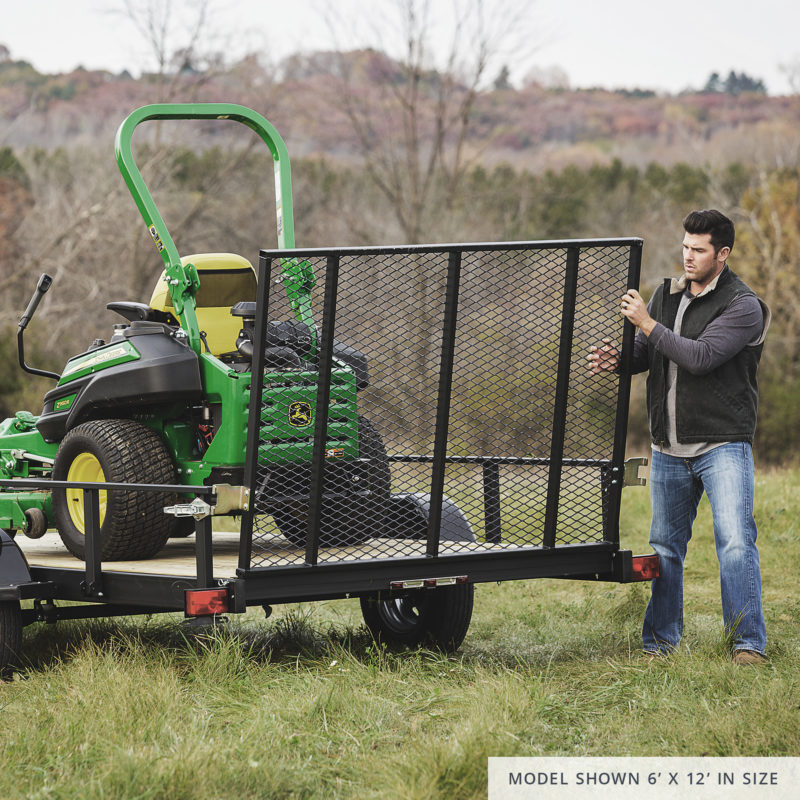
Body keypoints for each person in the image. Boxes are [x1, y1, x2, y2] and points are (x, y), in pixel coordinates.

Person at [588, 209, 770, 665]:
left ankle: (748, 644)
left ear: (722, 254)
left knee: (734, 542)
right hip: (667, 447)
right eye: (685, 246)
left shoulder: (743, 305)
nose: (688, 256)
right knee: (665, 548)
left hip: (721, 444)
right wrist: (620, 359)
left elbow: (701, 356)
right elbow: (651, 352)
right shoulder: (666, 294)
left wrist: (646, 324)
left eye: (699, 249)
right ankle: (661, 643)